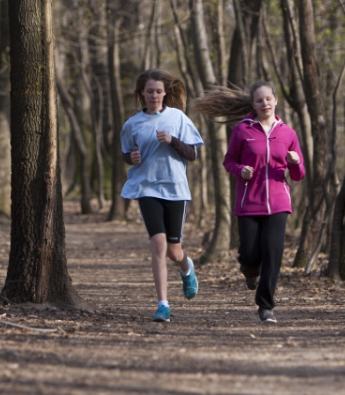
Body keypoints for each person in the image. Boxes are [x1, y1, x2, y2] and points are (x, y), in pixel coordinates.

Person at [194, 81, 305, 323]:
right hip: (249, 202)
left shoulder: (288, 133)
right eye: (259, 100)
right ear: (253, 105)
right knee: (250, 254)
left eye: (268, 99)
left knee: (273, 253)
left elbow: (298, 175)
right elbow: (228, 161)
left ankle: (266, 306)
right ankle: (249, 271)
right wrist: (240, 170)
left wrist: (295, 162)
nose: (264, 103)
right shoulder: (243, 130)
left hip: (278, 203)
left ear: (276, 101)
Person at [120, 69, 204, 323]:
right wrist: (130, 158)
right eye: (149, 92)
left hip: (175, 189)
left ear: (165, 93)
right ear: (141, 94)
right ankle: (163, 305)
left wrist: (172, 140)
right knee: (158, 244)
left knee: (173, 252)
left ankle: (186, 267)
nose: (154, 96)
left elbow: (192, 154)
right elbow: (126, 153)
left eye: (158, 91)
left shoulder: (177, 117)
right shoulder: (131, 124)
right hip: (147, 188)